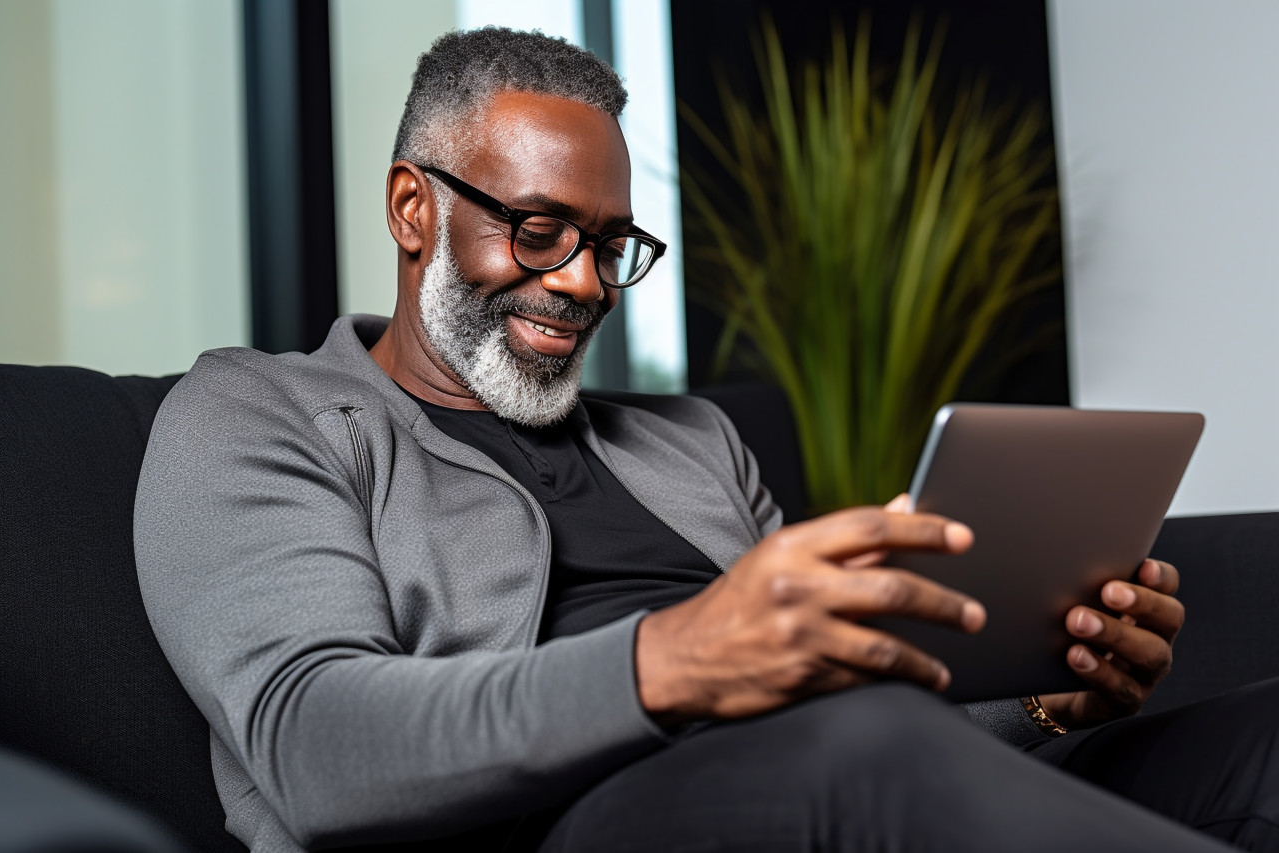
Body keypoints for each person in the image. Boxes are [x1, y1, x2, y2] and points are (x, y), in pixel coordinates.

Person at [134, 27, 1277, 852]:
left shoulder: (689, 440)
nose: (580, 282)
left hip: (828, 781)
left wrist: (1042, 697)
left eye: (608, 244)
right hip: (562, 823)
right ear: (411, 208)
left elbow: (864, 716)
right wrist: (673, 657)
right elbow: (313, 747)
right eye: (538, 232)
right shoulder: (255, 413)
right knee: (856, 749)